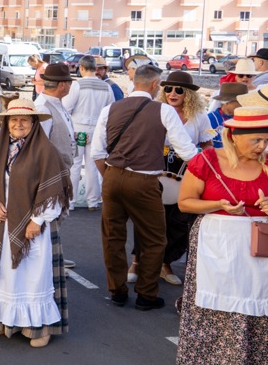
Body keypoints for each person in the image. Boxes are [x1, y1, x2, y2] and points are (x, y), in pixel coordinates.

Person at [90, 64, 197, 311]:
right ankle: (146, 295)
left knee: (113, 237)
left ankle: (117, 291)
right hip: (145, 181)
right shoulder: (164, 111)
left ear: (134, 82)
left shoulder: (111, 109)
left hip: (112, 177)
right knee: (154, 238)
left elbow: (97, 151)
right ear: (154, 85)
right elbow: (186, 151)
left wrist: (110, 177)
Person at [173, 106, 268, 364]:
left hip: (260, 249)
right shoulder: (206, 161)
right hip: (215, 246)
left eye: (266, 140)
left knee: (258, 304)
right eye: (256, 140)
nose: (262, 146)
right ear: (234, 136)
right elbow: (185, 203)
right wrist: (219, 204)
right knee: (215, 305)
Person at [0, 99, 71, 348]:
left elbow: (54, 191)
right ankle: (4, 320)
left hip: (32, 227)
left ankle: (37, 329)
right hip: (3, 222)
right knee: (6, 273)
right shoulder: (0, 149)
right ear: (7, 124)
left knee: (31, 277)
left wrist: (37, 220)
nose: (18, 124)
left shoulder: (45, 151)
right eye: (13, 119)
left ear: (33, 123)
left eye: (24, 120)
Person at [144, 71, 215, 287]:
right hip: (157, 167)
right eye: (168, 89)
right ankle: (138, 261)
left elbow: (207, 145)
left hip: (187, 170)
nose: (172, 93)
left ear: (190, 94)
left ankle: (165, 263)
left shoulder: (200, 116)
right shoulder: (156, 111)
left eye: (179, 90)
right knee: (149, 217)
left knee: (178, 220)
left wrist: (206, 169)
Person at [62, 56, 116, 210]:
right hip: (98, 130)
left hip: (78, 129)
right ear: (95, 68)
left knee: (75, 165)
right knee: (93, 166)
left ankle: (70, 202)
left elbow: (66, 108)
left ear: (81, 67)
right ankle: (92, 201)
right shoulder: (106, 87)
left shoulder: (77, 85)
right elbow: (111, 110)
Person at [34, 63, 77, 171]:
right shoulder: (43, 108)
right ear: (62, 85)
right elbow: (38, 145)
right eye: (69, 83)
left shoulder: (55, 103)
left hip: (60, 170)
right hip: (52, 171)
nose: (70, 86)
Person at [207, 83, 248, 148]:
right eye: (240, 102)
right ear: (226, 102)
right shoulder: (210, 119)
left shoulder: (247, 119)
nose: (243, 105)